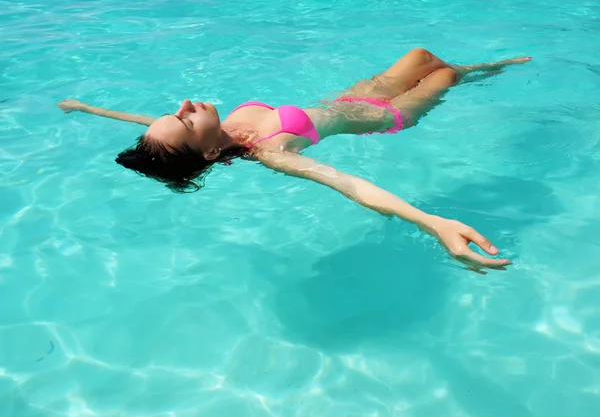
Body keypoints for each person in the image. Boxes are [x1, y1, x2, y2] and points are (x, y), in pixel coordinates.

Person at [58, 47, 532, 271]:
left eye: (171, 112)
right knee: (444, 75)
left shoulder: (215, 131)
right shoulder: (271, 152)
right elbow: (351, 186)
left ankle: (485, 67)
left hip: (352, 98)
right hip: (390, 114)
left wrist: (87, 108)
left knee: (422, 55)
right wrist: (433, 222)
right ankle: (489, 71)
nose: (183, 106)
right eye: (182, 120)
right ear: (205, 151)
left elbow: (136, 118)